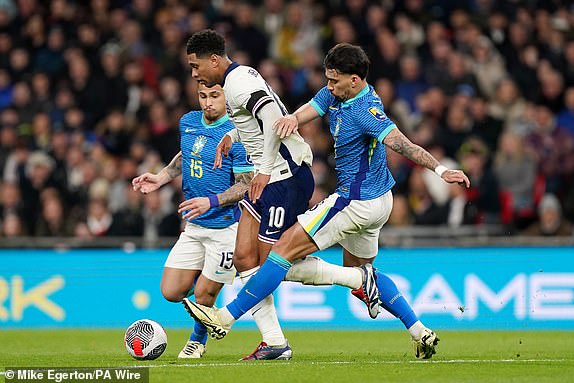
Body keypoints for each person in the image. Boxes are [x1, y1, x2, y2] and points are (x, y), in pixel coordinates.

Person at [185, 42, 471, 359]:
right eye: (328, 78)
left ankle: (224, 317)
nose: (329, 86)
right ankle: (421, 331)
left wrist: (441, 169)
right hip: (379, 202)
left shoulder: (366, 112)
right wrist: (284, 122)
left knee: (279, 256)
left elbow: (402, 144)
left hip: (354, 201)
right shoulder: (337, 93)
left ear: (355, 80)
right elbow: (304, 111)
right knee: (364, 280)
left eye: (335, 80)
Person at [183, 30, 382, 360]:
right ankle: (274, 341)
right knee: (245, 257)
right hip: (270, 176)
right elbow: (259, 116)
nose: (194, 73)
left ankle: (357, 277)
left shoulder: (238, 83)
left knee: (274, 262)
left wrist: (262, 166)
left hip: (283, 177)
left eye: (195, 65)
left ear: (213, 60)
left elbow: (274, 118)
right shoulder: (238, 78)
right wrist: (234, 134)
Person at [132, 82, 255, 359]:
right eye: (203, 96)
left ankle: (197, 340)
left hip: (226, 228)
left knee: (203, 296)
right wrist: (161, 177)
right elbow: (187, 155)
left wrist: (210, 201)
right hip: (195, 226)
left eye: (215, 96)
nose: (208, 102)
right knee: (171, 291)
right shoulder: (187, 122)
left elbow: (246, 184)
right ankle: (205, 281)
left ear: (227, 98)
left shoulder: (237, 134)